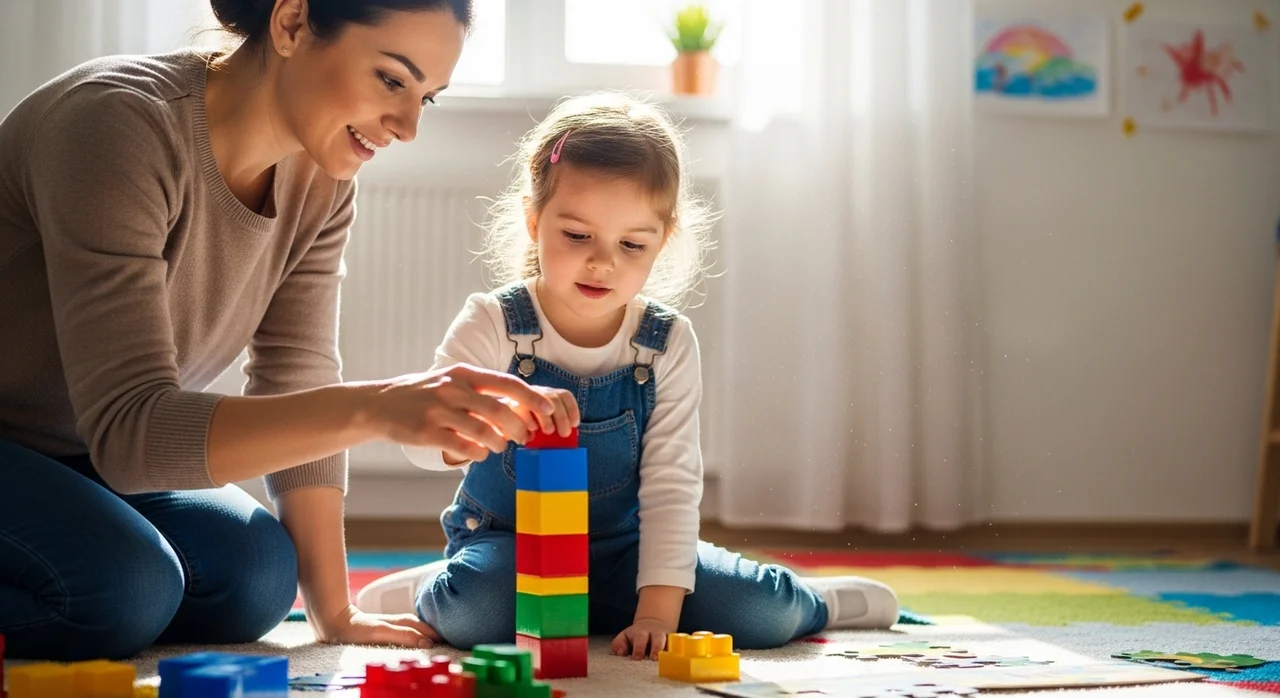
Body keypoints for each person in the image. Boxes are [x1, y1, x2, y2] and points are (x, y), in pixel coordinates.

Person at [0, 0, 561, 661]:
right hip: (41, 439)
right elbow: (131, 433)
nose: (408, 127)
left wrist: (335, 613)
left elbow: (297, 371)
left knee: (260, 576)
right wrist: (377, 408)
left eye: (426, 98)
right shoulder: (117, 126)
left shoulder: (320, 175)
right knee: (128, 588)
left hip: (78, 452)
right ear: (292, 23)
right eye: (391, 79)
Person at [354, 92, 901, 658]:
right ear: (534, 220)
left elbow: (671, 486)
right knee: (474, 612)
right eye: (577, 236)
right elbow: (421, 447)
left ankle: (817, 601)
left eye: (632, 244)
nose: (602, 262)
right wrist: (476, 426)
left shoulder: (665, 343)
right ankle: (433, 587)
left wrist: (657, 614)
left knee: (761, 613)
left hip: (629, 553)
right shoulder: (493, 323)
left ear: (662, 242)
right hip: (512, 550)